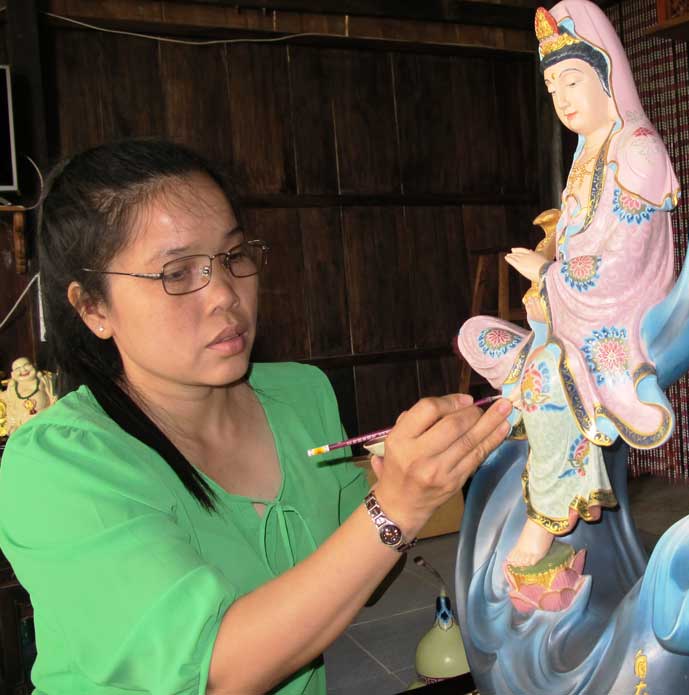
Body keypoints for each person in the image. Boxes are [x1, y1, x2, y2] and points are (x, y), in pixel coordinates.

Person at [0, 139, 511, 694]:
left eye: (233, 256)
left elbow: (362, 582)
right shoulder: (57, 465)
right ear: (93, 307)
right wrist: (395, 509)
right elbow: (218, 672)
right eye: (177, 273)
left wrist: (403, 496)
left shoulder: (302, 394)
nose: (225, 294)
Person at [458, 2, 680, 568]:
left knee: (546, 375)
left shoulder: (636, 149)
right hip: (566, 311)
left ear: (608, 75)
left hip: (619, 317)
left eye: (573, 80)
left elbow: (624, 261)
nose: (562, 99)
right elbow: (579, 239)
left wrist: (549, 275)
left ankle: (547, 517)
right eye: (552, 86)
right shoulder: (587, 154)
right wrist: (549, 259)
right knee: (475, 335)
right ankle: (538, 416)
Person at [0, 357, 57, 436]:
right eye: (18, 368)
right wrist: (13, 427)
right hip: (24, 427)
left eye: (26, 365)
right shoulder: (12, 390)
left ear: (34, 366)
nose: (23, 370)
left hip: (46, 421)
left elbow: (55, 397)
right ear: (13, 374)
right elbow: (11, 410)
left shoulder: (44, 381)